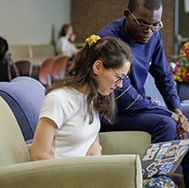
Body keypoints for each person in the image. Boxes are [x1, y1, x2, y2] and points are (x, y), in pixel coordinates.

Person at [30, 35, 176, 187]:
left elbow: (90, 136)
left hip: (89, 176)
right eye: (118, 77)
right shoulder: (59, 99)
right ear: (98, 67)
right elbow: (39, 154)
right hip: (67, 181)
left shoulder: (91, 97)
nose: (120, 85)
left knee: (164, 182)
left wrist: (96, 151)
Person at [98, 0, 189, 188]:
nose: (148, 30)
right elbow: (124, 95)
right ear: (127, 15)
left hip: (138, 110)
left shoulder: (153, 36)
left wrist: (177, 109)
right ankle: (154, 184)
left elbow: (164, 76)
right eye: (142, 23)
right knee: (165, 124)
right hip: (110, 112)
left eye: (155, 25)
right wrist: (167, 114)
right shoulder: (109, 40)